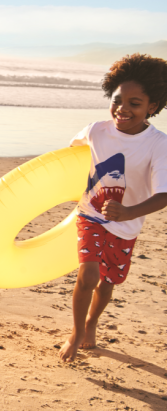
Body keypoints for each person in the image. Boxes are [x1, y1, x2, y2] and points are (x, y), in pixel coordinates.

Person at [59, 53, 167, 363]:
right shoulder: (95, 130)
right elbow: (68, 158)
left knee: (107, 284)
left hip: (126, 225)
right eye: (118, 99)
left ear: (152, 108)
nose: (122, 108)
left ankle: (93, 322)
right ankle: (77, 332)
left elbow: (164, 194)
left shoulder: (159, 144)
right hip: (90, 215)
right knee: (88, 275)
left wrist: (129, 212)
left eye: (135, 103)